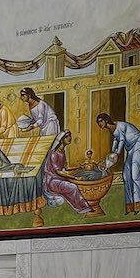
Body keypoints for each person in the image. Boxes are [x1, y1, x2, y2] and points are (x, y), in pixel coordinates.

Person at [14, 87, 90, 215]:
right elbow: (36, 119)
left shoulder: (40, 104)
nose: (21, 98)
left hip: (50, 126)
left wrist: (29, 128)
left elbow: (39, 120)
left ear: (29, 95)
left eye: (23, 95)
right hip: (45, 131)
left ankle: (82, 207)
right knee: (48, 152)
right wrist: (29, 124)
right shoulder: (32, 105)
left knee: (50, 148)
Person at [101, 109, 140, 214]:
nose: (100, 124)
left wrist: (117, 154)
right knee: (126, 175)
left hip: (138, 144)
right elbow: (116, 140)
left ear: (106, 120)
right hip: (130, 149)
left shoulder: (120, 125)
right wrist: (112, 153)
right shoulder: (112, 130)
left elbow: (122, 140)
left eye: (101, 121)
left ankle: (139, 204)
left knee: (135, 174)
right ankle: (130, 206)